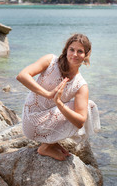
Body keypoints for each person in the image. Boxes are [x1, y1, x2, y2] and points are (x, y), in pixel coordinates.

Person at [16, 33, 100, 161]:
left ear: (86, 55)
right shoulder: (50, 61)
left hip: (45, 122)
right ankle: (45, 147)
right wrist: (48, 94)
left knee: (86, 106)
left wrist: (59, 103)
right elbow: (22, 75)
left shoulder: (80, 85)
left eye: (80, 51)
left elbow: (80, 122)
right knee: (88, 105)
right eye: (71, 49)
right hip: (30, 121)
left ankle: (51, 143)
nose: (75, 54)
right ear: (66, 50)